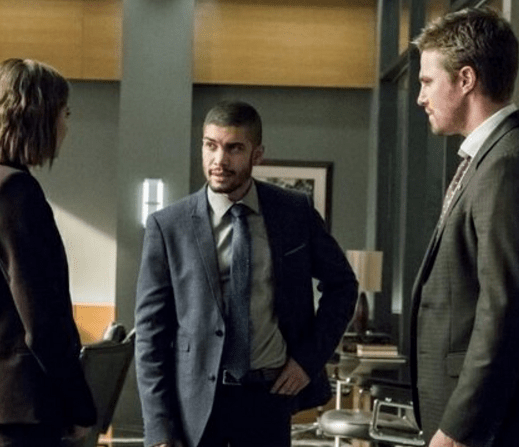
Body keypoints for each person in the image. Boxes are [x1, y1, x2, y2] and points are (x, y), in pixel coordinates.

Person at [134, 100, 357, 447]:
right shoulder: (168, 226)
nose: (219, 160)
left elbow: (343, 285)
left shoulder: (293, 212)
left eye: (234, 148)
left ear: (257, 154)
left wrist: (307, 361)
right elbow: (150, 333)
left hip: (268, 398)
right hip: (196, 406)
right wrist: (159, 428)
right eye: (210, 146)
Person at [410, 7, 519, 447]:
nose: (420, 97)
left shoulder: (510, 165)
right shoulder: (494, 158)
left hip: (495, 429)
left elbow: (504, 313)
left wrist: (458, 430)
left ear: (466, 79)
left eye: (427, 81)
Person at [0, 58, 96, 447]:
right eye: (64, 113)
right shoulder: (15, 191)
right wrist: (79, 406)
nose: (66, 126)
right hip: (21, 405)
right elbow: (42, 320)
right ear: (38, 117)